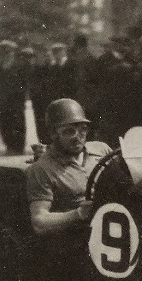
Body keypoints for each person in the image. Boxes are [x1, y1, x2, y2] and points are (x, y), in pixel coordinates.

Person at [25, 98, 111, 236]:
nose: (78, 137)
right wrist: (78, 214)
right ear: (53, 134)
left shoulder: (102, 150)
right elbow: (39, 221)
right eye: (69, 131)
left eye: (83, 129)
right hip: (78, 236)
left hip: (113, 224)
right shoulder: (42, 168)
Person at [0, 39, 27, 155]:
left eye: (8, 52)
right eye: (3, 52)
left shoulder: (19, 66)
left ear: (13, 53)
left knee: (17, 123)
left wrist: (19, 95)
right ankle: (9, 146)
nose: (6, 55)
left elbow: (24, 83)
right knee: (4, 123)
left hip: (16, 100)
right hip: (3, 100)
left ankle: (18, 147)